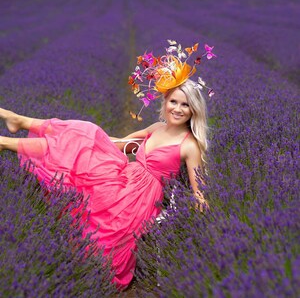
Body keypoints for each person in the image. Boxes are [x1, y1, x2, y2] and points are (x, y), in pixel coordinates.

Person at [0, 40, 214, 289]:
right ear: (164, 103)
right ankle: (13, 130)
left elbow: (200, 190)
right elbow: (123, 143)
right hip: (124, 174)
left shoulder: (190, 145)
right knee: (82, 136)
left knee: (81, 148)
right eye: (173, 102)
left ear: (194, 110)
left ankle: (7, 139)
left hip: (140, 199)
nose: (178, 109)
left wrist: (200, 208)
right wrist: (90, 139)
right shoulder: (157, 127)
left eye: (185, 104)